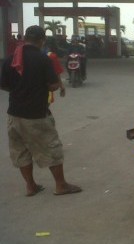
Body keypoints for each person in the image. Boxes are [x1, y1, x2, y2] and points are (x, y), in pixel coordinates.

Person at [0, 25, 82, 197]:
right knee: (51, 148)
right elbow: (53, 85)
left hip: (14, 114)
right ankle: (61, 185)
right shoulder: (42, 58)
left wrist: (19, 89)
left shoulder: (9, 59)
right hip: (36, 114)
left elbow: (3, 85)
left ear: (25, 39)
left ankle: (30, 186)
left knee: (21, 151)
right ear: (41, 40)